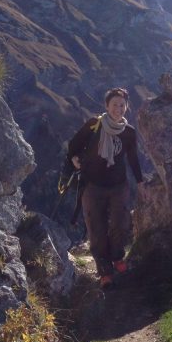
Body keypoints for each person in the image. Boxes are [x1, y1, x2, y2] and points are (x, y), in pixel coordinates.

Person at [64, 87, 144, 289]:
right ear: (106, 106)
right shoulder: (94, 125)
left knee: (120, 223)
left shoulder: (128, 132)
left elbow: (133, 158)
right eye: (114, 104)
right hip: (92, 186)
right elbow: (73, 144)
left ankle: (117, 257)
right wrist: (74, 159)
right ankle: (104, 272)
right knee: (96, 228)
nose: (118, 108)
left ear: (126, 107)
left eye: (122, 105)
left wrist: (141, 182)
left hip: (119, 185)